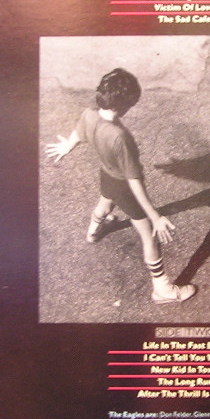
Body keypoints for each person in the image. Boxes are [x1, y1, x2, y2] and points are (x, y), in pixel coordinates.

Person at [45, 68, 196, 304]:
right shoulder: (119, 136)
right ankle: (163, 290)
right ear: (125, 104)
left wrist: (67, 146)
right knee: (149, 234)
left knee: (105, 203)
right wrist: (155, 216)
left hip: (106, 175)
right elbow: (134, 182)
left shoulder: (89, 114)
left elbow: (78, 132)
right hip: (124, 186)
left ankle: (93, 232)